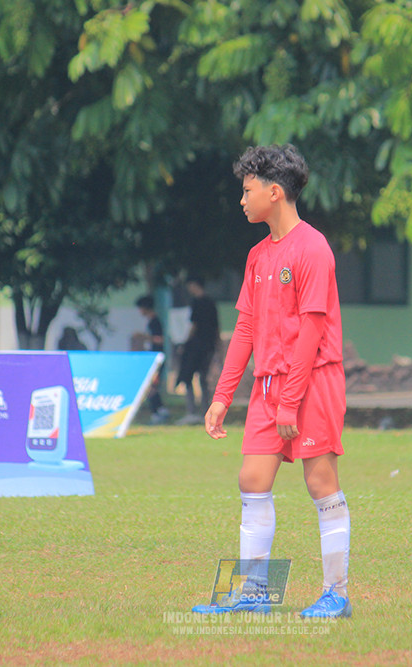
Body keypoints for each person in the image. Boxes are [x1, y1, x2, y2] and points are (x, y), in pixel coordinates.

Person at [193, 144, 351, 619]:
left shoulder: (313, 248)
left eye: (247, 190)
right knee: (252, 478)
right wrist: (222, 397)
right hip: (267, 387)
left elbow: (311, 332)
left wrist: (290, 400)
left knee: (320, 482)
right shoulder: (258, 256)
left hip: (312, 383)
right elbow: (244, 328)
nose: (242, 200)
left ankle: (337, 595)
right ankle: (255, 592)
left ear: (274, 192)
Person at [174, 276, 220, 425]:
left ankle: (192, 411)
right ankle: (206, 410)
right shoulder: (211, 302)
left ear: (194, 285)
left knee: (188, 375)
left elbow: (194, 325)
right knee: (203, 378)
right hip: (208, 345)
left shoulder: (197, 302)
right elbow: (216, 326)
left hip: (196, 345)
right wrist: (217, 345)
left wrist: (186, 341)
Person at [135, 294, 170, 425]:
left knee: (151, 386)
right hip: (152, 357)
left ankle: (157, 412)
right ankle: (160, 410)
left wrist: (143, 337)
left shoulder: (155, 321)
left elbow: (159, 339)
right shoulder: (151, 321)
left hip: (157, 359)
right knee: (151, 386)